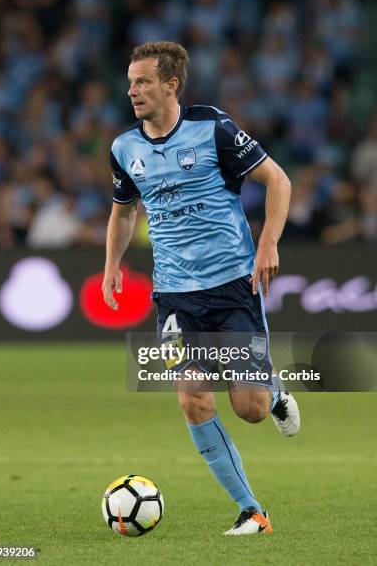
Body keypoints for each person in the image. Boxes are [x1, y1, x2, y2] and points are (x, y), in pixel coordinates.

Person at [103, 41, 300, 536]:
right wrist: (112, 266)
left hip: (233, 286)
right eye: (130, 82)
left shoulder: (212, 128)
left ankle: (272, 392)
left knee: (249, 409)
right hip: (174, 297)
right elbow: (124, 211)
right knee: (193, 397)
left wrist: (268, 245)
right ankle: (251, 511)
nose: (133, 91)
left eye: (143, 81)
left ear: (171, 84)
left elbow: (278, 181)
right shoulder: (125, 148)